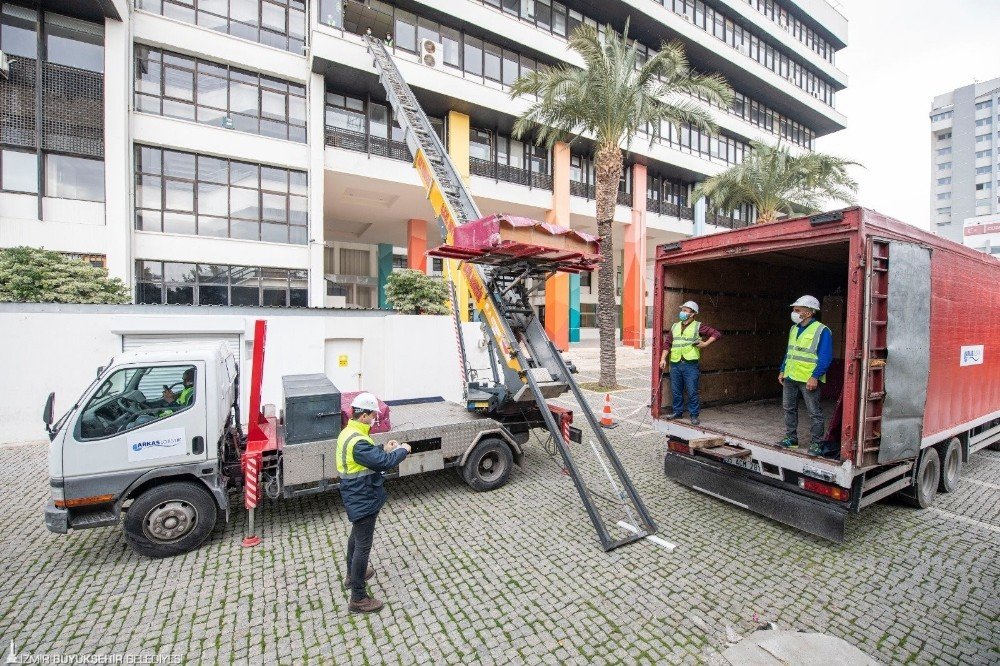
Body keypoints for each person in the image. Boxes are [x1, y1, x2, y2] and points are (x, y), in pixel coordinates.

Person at [336, 392, 411, 614]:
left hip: (356, 493)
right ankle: (358, 597)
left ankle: (351, 575)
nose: (375, 418)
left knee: (356, 537)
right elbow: (385, 463)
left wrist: (382, 449)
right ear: (364, 416)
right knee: (363, 546)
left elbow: (369, 456)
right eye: (373, 415)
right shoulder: (358, 441)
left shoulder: (349, 433)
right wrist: (401, 450)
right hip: (363, 495)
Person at [777, 295, 833, 456]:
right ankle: (791, 439)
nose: (793, 313)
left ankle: (816, 443)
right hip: (790, 376)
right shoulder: (793, 329)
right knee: (788, 408)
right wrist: (783, 369)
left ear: (808, 313)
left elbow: (825, 357)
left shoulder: (822, 330)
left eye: (797, 310)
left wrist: (815, 376)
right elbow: (790, 352)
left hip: (808, 379)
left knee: (814, 412)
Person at [660, 301, 721, 426]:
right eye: (682, 310)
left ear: (692, 314)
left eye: (686, 310)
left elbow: (716, 334)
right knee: (676, 390)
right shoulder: (675, 326)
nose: (682, 312)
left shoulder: (698, 326)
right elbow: (668, 344)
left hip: (690, 364)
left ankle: (694, 415)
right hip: (675, 363)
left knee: (692, 391)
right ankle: (677, 412)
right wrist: (662, 359)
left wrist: (705, 344)